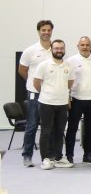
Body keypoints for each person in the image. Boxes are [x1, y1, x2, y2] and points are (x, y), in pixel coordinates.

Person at [65, 36, 91, 164]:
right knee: (72, 129)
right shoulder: (70, 61)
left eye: (87, 45)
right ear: (78, 46)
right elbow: (65, 80)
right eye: (82, 45)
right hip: (76, 99)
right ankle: (69, 156)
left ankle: (87, 155)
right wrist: (67, 97)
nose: (85, 47)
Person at [34, 40, 73, 170]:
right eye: (56, 48)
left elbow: (70, 83)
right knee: (46, 131)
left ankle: (58, 157)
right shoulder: (44, 65)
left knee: (60, 131)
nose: (59, 50)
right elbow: (36, 83)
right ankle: (45, 159)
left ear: (64, 49)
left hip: (62, 104)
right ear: (52, 49)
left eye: (61, 48)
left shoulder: (69, 66)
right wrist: (47, 93)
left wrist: (62, 94)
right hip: (46, 103)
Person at [19, 20, 54, 167]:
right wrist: (34, 83)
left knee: (49, 126)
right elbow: (22, 70)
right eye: (43, 30)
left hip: (51, 94)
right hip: (35, 93)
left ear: (52, 31)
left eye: (48, 30)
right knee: (32, 125)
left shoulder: (55, 49)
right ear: (39, 31)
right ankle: (27, 156)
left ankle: (49, 156)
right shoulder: (30, 51)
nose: (46, 32)